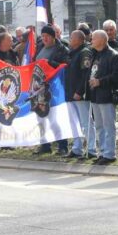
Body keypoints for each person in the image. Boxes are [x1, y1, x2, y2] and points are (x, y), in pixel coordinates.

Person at [88, 30, 118, 165]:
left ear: (102, 40)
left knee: (108, 126)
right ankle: (102, 152)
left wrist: (100, 81)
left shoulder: (113, 55)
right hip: (95, 95)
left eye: (94, 39)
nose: (91, 41)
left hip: (107, 95)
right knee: (99, 126)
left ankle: (109, 153)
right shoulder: (96, 55)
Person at [35, 25, 70, 155]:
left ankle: (62, 145)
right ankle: (45, 145)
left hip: (54, 89)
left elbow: (65, 66)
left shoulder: (62, 49)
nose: (44, 39)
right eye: (43, 36)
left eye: (47, 36)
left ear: (53, 37)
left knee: (55, 118)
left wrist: (50, 63)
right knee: (40, 117)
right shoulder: (40, 48)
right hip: (39, 88)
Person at [65, 30, 93, 159]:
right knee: (73, 122)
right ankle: (77, 148)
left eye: (72, 37)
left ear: (79, 39)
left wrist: (80, 91)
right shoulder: (72, 53)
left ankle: (91, 149)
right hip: (70, 93)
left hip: (79, 95)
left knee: (86, 122)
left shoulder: (85, 53)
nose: (70, 39)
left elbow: (85, 74)